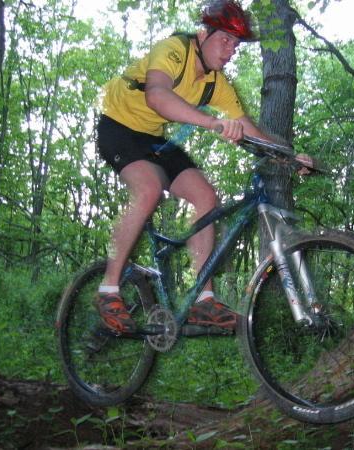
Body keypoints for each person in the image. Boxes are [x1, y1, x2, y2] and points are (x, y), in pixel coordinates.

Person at [95, 0, 296, 334]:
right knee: (148, 188)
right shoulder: (174, 50)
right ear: (204, 34)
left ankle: (203, 301)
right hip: (117, 126)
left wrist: (290, 156)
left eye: (236, 43)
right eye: (225, 39)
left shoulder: (216, 83)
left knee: (206, 197)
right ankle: (108, 289)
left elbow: (249, 129)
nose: (231, 49)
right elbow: (157, 96)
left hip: (152, 138)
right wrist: (211, 123)